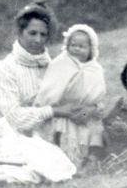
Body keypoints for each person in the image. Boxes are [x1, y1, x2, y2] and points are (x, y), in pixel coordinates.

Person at [0, 2, 79, 184]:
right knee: (38, 160)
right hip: (15, 134)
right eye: (32, 33)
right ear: (20, 33)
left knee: (64, 156)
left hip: (50, 132)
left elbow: (69, 105)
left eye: (43, 34)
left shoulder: (52, 66)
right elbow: (15, 117)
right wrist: (54, 111)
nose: (38, 40)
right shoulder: (5, 68)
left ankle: (14, 175)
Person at [34, 23, 107, 169]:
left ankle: (89, 160)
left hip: (86, 113)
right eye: (73, 45)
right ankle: (61, 159)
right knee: (60, 133)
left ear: (91, 49)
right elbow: (47, 93)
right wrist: (62, 109)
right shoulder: (60, 64)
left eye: (82, 46)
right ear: (66, 46)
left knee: (95, 132)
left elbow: (99, 98)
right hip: (61, 112)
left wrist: (90, 109)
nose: (77, 49)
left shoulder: (95, 69)